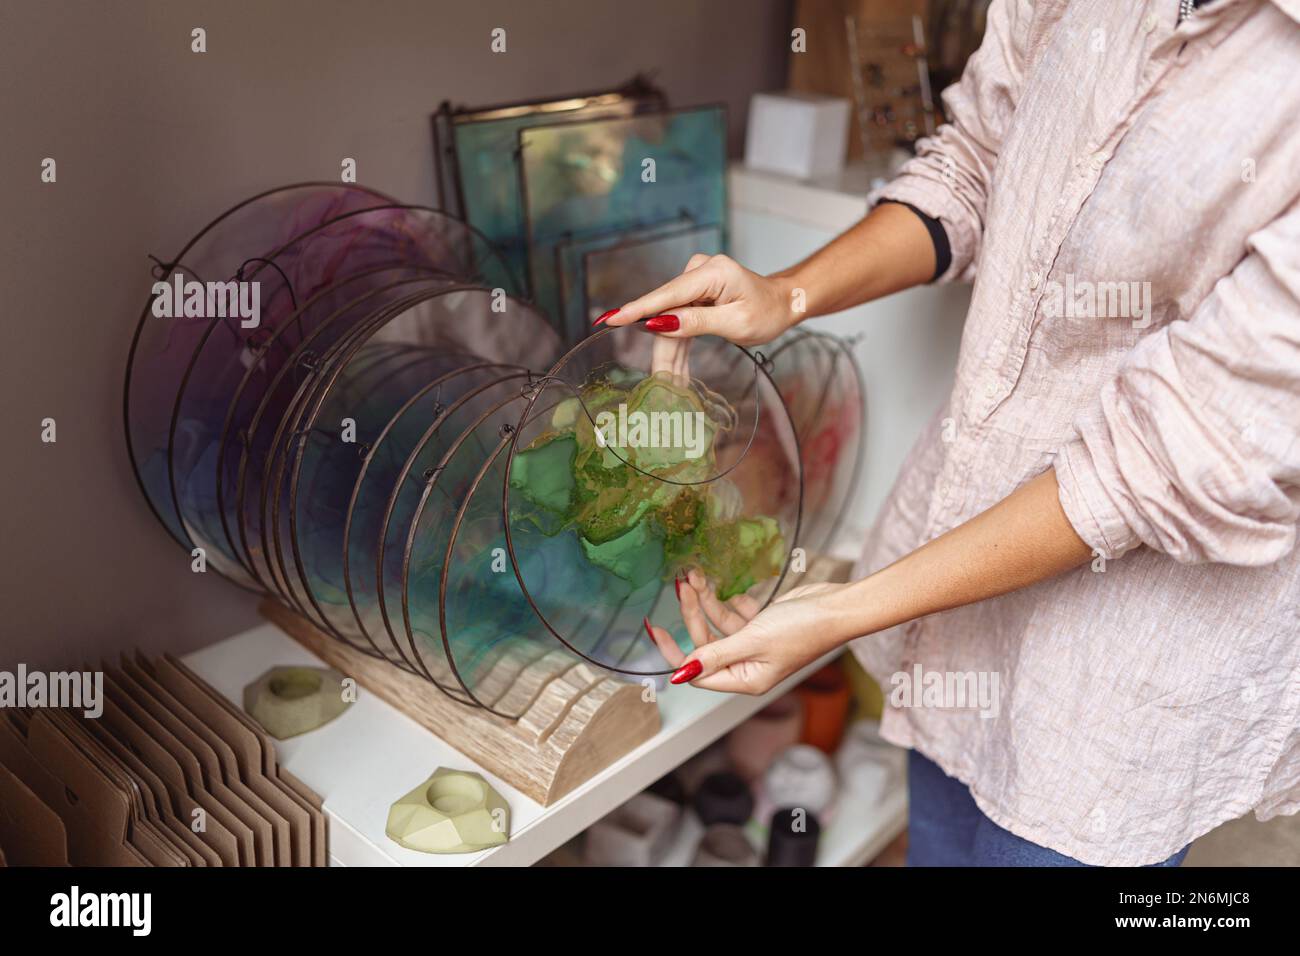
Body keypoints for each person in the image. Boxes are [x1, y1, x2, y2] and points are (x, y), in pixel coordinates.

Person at [605, 0, 1300, 866]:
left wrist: (840, 613)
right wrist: (784, 295)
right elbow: (976, 161)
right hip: (960, 596)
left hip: (1120, 683)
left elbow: (1170, 459)